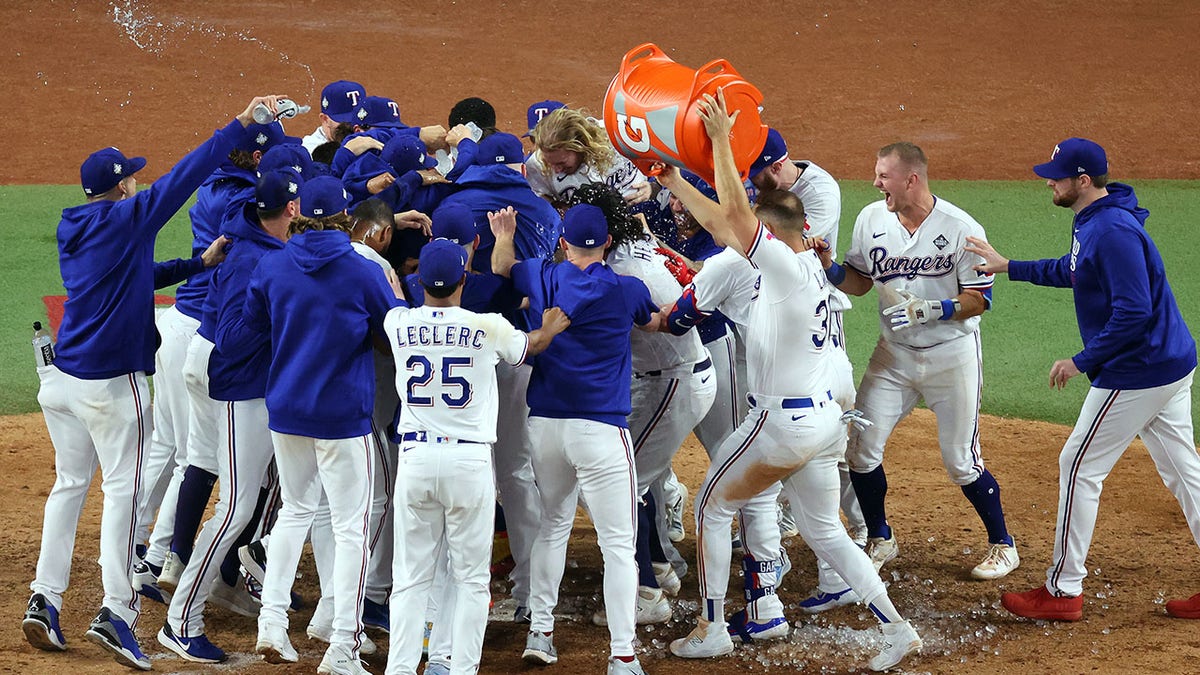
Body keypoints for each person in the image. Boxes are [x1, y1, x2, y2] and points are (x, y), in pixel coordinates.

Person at [659, 90, 921, 672]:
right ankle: (897, 627)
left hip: (784, 423)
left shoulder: (779, 268)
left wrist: (723, 142)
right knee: (825, 530)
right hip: (825, 420)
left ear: (771, 235)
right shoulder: (811, 262)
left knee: (710, 508)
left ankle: (712, 629)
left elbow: (731, 215)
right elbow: (726, 221)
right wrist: (673, 181)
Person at [21, 94, 281, 671]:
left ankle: (45, 597)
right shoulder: (128, 216)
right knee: (123, 495)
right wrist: (239, 123)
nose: (140, 182)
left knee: (68, 488)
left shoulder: (80, 224)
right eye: (132, 178)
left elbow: (134, 274)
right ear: (119, 189)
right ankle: (117, 611)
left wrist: (195, 265)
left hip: (60, 384)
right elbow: (186, 175)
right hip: (111, 391)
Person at [965, 138, 1200, 621]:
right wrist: (1010, 266)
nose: (1048, 181)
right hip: (1168, 364)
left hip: (1137, 371)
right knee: (1184, 475)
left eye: (1056, 175)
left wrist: (1080, 360)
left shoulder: (1111, 230)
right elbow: (1078, 272)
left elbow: (1133, 311)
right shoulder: (1097, 218)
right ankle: (1063, 586)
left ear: (1084, 180)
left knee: (1078, 466)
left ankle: (1063, 589)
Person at [812, 141, 1020, 581]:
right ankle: (880, 536)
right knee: (861, 449)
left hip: (952, 357)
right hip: (894, 356)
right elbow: (861, 283)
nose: (875, 183)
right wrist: (830, 267)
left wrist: (936, 309)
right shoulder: (872, 219)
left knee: (961, 461)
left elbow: (980, 300)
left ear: (912, 179)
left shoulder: (961, 228)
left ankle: (1004, 545)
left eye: (883, 175)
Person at [384, 239, 570, 675]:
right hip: (468, 466)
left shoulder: (398, 323)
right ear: (464, 279)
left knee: (410, 579)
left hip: (414, 461)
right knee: (470, 578)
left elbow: (393, 299)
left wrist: (396, 286)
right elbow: (533, 345)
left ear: (420, 282)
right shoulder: (487, 326)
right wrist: (552, 327)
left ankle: (401, 668)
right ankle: (458, 668)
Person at [490, 203, 660, 675]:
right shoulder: (627, 289)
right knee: (618, 545)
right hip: (601, 431)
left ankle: (540, 632)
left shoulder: (545, 277)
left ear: (564, 243)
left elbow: (502, 267)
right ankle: (623, 658)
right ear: (607, 243)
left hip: (545, 427)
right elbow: (657, 321)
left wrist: (504, 234)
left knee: (553, 526)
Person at [245, 175, 400, 675]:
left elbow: (256, 325)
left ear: (298, 214)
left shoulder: (271, 265)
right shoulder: (362, 272)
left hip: (286, 410)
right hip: (342, 415)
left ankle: (272, 624)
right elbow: (394, 332)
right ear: (345, 218)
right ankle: (342, 647)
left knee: (294, 511)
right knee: (350, 527)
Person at [157, 168, 301, 663]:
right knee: (236, 506)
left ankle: (223, 579)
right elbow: (238, 339)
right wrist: (279, 318)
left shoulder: (254, 240)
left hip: (232, 376)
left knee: (249, 486)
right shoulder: (252, 261)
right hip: (239, 388)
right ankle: (181, 619)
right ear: (292, 209)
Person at [747, 128, 869, 611]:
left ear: (775, 169)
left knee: (813, 447)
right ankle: (837, 562)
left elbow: (770, 242)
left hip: (817, 354)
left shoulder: (814, 198)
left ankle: (856, 532)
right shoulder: (787, 209)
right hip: (820, 342)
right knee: (822, 450)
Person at [525, 107, 652, 210]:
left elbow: (665, 161)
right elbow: (536, 199)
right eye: (549, 162)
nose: (556, 170)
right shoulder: (536, 164)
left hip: (643, 208)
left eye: (561, 163)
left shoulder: (618, 133)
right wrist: (557, 206)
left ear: (581, 146)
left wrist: (653, 187)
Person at [303, 80, 367, 154]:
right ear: (325, 119)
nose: (354, 126)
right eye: (346, 121)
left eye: (359, 119)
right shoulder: (309, 152)